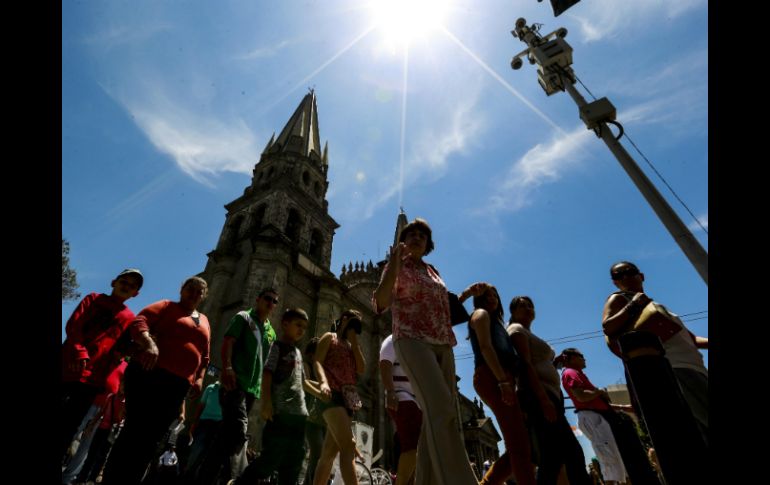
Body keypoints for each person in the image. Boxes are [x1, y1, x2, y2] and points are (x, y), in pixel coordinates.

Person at [372, 218, 478, 485]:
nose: (417, 237)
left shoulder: (433, 271)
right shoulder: (395, 267)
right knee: (441, 409)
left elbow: (439, 306)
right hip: (411, 339)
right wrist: (394, 264)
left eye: (422, 235)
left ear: (429, 244)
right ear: (402, 241)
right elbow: (381, 302)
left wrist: (464, 296)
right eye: (411, 234)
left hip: (442, 343)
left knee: (441, 415)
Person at [101, 276, 211, 485]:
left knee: (152, 438)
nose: (194, 294)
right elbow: (139, 321)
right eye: (190, 289)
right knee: (134, 431)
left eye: (199, 291)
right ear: (182, 289)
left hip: (177, 386)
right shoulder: (167, 306)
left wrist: (199, 379)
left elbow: (205, 356)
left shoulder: (205, 320)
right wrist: (149, 343)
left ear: (204, 296)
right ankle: (112, 479)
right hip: (150, 375)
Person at [602, 261, 708, 445]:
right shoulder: (620, 298)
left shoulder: (655, 306)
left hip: (695, 367)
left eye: (630, 272)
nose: (626, 277)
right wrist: (634, 303)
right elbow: (608, 326)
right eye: (619, 275)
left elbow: (692, 340)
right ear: (614, 282)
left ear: (641, 276)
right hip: (675, 367)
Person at [507, 296, 591, 485]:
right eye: (522, 306)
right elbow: (525, 365)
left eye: (530, 305)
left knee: (552, 457)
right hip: (538, 397)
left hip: (550, 396)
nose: (528, 308)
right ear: (513, 312)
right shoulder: (516, 330)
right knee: (571, 453)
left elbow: (537, 362)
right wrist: (543, 400)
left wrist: (554, 363)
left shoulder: (528, 332)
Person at [61, 268, 143, 459]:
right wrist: (79, 353)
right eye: (124, 281)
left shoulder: (130, 318)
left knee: (68, 428)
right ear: (114, 282)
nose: (127, 286)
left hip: (92, 381)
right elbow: (74, 326)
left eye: (132, 286)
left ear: (135, 294)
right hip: (68, 368)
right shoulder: (93, 299)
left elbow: (120, 351)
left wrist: (142, 347)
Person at [460, 283, 535, 485]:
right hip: (492, 376)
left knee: (518, 445)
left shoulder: (497, 324)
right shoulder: (480, 314)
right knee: (520, 446)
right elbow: (485, 347)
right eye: (487, 295)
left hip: (502, 377)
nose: (492, 298)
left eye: (495, 294)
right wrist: (503, 381)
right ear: (479, 298)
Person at [229, 308, 311, 485]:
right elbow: (267, 373)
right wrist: (266, 402)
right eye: (298, 325)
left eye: (304, 327)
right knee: (271, 458)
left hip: (298, 416)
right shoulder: (277, 347)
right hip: (280, 413)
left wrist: (321, 389)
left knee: (295, 461)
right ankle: (240, 482)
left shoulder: (297, 353)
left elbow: (303, 382)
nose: (301, 330)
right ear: (285, 324)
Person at [218, 288, 279, 481]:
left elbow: (269, 362)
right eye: (267, 299)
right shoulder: (243, 317)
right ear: (258, 299)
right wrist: (227, 368)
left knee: (223, 439)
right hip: (234, 383)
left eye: (274, 301)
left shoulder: (271, 332)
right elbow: (228, 341)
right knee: (239, 429)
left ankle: (203, 475)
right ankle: (240, 478)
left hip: (253, 389)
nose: (270, 303)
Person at [557, 349, 628, 485]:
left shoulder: (576, 373)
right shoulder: (570, 372)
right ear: (571, 358)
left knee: (613, 458)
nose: (585, 359)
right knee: (610, 459)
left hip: (597, 418)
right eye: (581, 356)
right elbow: (581, 396)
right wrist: (600, 391)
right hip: (593, 418)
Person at [312, 310, 366, 485]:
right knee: (348, 445)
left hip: (347, 401)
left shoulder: (352, 347)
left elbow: (361, 369)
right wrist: (323, 383)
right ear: (343, 320)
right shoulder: (330, 337)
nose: (354, 328)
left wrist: (355, 341)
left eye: (358, 325)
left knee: (328, 455)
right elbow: (317, 361)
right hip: (331, 395)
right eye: (352, 322)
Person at [379, 333, 423, 485]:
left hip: (416, 401)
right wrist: (390, 391)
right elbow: (385, 363)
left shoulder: (415, 342)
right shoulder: (393, 339)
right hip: (401, 396)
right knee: (412, 447)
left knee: (416, 449)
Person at [182, 379, 223, 485]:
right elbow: (200, 406)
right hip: (204, 424)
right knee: (196, 451)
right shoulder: (210, 388)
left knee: (209, 457)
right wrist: (194, 424)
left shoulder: (231, 391)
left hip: (219, 426)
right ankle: (186, 475)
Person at [303, 337, 328, 485]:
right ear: (312, 354)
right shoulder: (306, 365)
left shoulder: (322, 370)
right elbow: (304, 383)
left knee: (320, 456)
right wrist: (322, 389)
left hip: (323, 418)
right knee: (317, 453)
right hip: (308, 416)